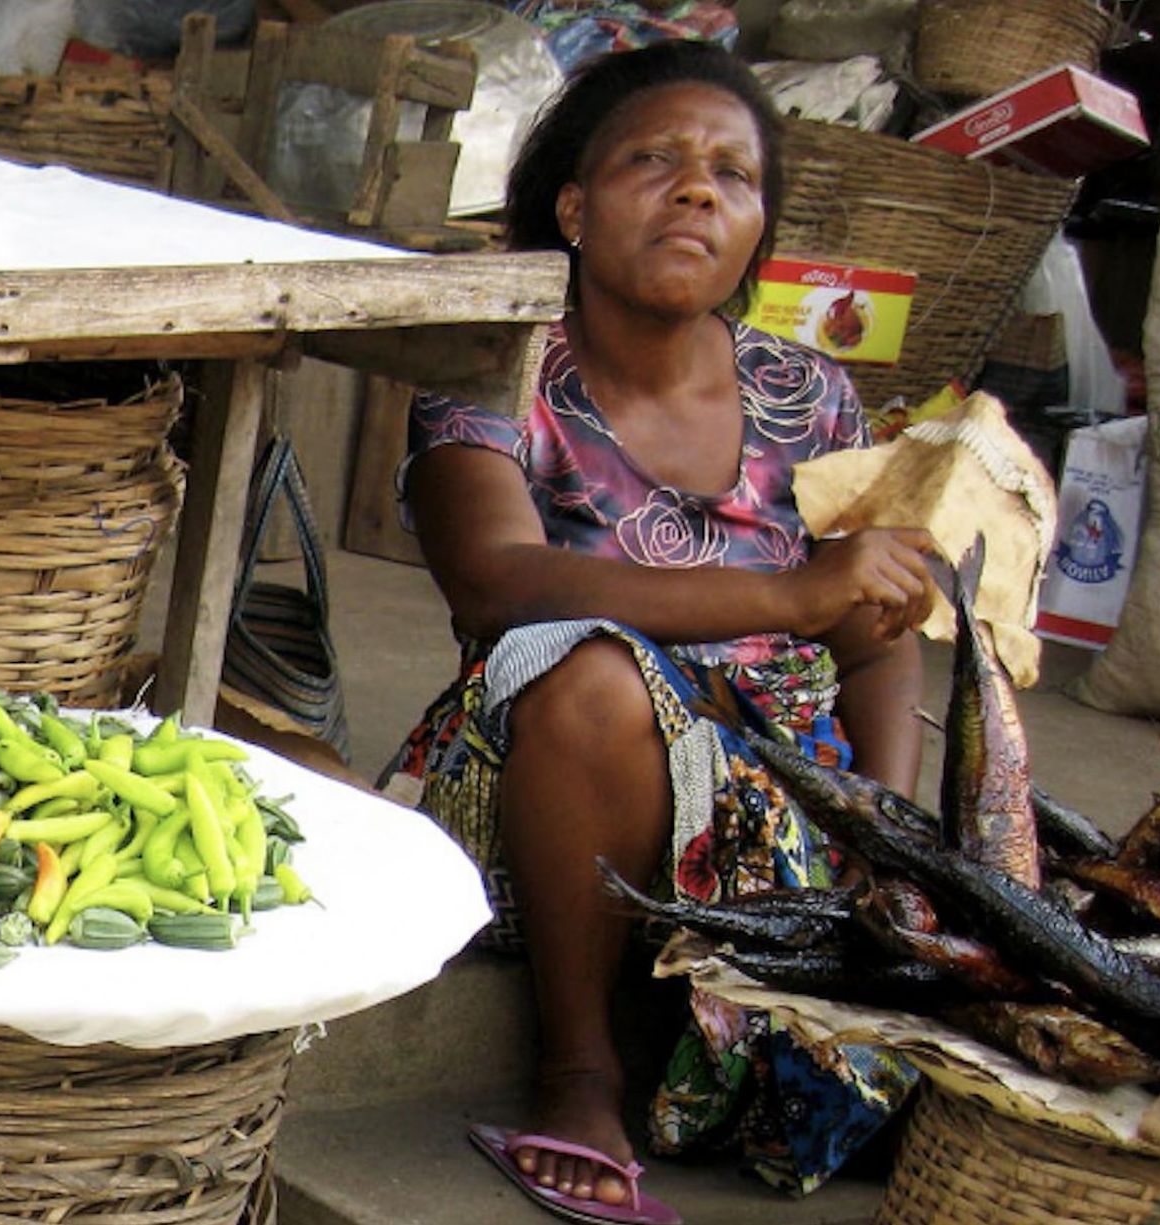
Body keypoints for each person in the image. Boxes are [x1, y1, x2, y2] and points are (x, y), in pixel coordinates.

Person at [378, 39, 938, 1219]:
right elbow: (493, 582)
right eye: (657, 161)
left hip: (776, 786)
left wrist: (883, 822)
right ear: (573, 207)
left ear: (755, 232)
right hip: (547, 773)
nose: (698, 190)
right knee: (592, 672)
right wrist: (789, 596)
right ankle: (579, 1066)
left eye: (732, 177)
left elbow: (877, 630)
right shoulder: (492, 372)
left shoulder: (813, 394)